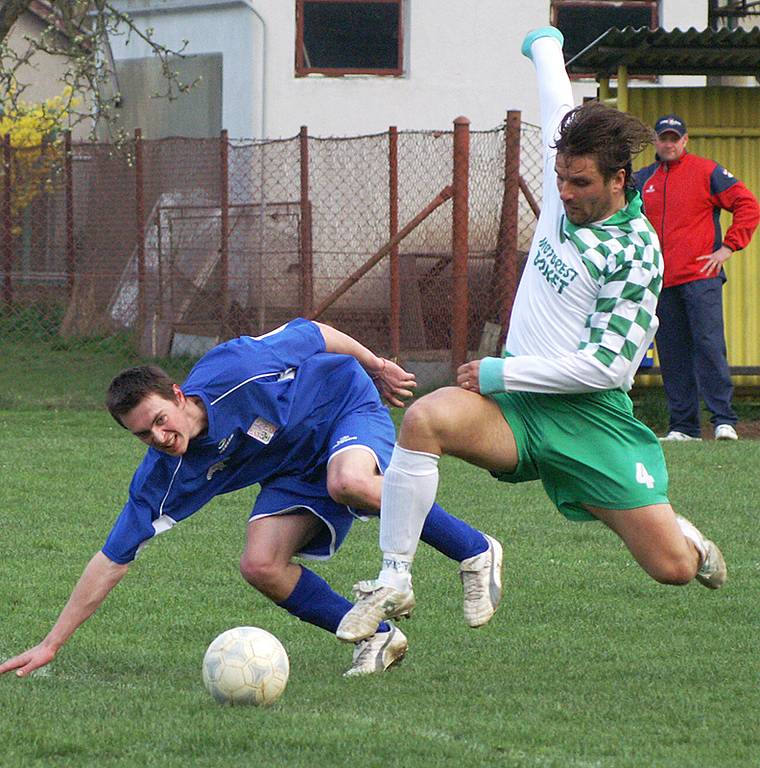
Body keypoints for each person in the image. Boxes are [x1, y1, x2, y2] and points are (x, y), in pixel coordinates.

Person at [335, 27, 727, 645]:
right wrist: (545, 43)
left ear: (620, 180)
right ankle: (396, 577)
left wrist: (500, 373)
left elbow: (606, 367)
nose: (564, 194)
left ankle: (686, 537)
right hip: (518, 409)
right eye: (561, 179)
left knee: (671, 569)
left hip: (590, 421)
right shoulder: (564, 181)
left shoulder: (636, 254)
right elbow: (555, 100)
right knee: (424, 421)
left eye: (581, 185)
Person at [0, 319, 502, 679]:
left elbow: (313, 332)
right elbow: (112, 558)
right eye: (143, 435)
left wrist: (374, 365)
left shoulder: (236, 368)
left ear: (177, 394)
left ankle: (476, 550)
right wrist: (51, 643)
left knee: (347, 481)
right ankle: (378, 639)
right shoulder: (165, 474)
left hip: (341, 406)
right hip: (291, 467)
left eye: (159, 419)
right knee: (260, 564)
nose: (158, 436)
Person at [633, 115, 759, 442]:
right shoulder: (642, 179)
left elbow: (747, 204)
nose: (669, 143)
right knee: (672, 353)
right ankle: (683, 427)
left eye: (675, 138)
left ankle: (723, 421)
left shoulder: (707, 172)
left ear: (685, 141)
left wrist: (728, 248)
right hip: (661, 282)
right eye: (664, 138)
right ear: (656, 142)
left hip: (701, 277)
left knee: (708, 346)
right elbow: (624, 220)